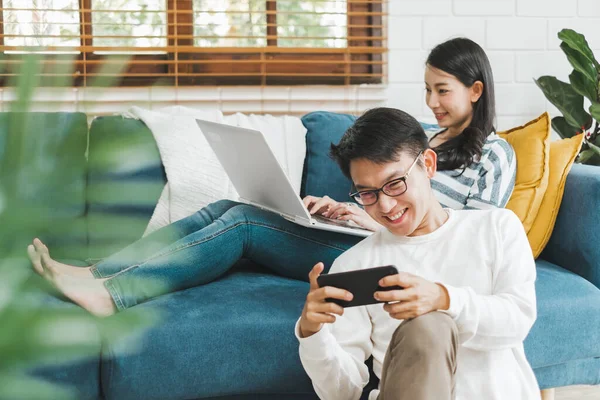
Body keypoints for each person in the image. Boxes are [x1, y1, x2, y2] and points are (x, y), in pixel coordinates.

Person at [26, 38, 516, 318]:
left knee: (242, 222)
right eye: (427, 89)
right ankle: (97, 271)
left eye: (442, 90)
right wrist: (351, 209)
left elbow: (464, 241)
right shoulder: (426, 141)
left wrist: (374, 222)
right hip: (366, 236)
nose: (431, 102)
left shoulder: (496, 154)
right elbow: (393, 204)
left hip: (403, 259)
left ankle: (111, 293)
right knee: (224, 208)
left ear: (476, 90)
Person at [296, 107, 539, 400]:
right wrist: (313, 333)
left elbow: (517, 320)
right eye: (368, 194)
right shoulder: (353, 264)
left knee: (430, 323)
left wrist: (443, 298)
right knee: (427, 328)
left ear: (428, 164)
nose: (385, 206)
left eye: (395, 184)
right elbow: (341, 392)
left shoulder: (497, 228)